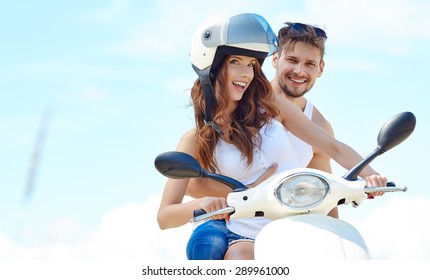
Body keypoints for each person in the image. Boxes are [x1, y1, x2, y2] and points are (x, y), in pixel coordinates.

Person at [156, 12, 387, 261]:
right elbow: (166, 214)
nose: (245, 73)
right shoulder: (194, 138)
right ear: (213, 65)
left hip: (292, 226)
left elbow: (332, 147)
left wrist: (371, 175)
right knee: (216, 249)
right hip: (241, 229)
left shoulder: (272, 106)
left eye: (252, 65)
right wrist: (214, 201)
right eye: (235, 61)